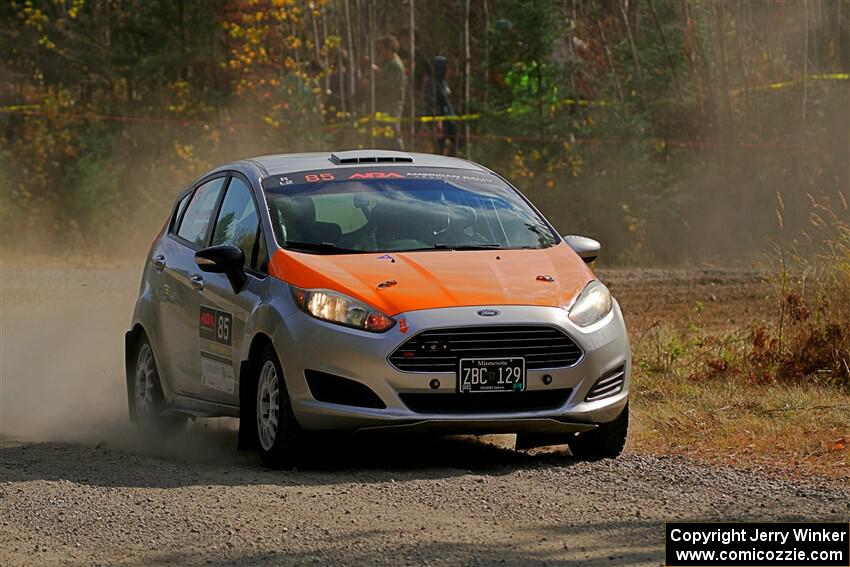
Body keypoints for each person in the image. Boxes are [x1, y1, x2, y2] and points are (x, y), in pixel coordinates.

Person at [373, 35, 406, 150]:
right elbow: (385, 75)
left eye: (382, 49)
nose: (381, 52)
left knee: (394, 131)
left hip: (393, 105)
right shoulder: (388, 62)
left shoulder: (395, 64)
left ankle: (400, 154)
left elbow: (390, 85)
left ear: (389, 49)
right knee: (384, 132)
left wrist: (373, 85)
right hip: (386, 104)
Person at [424, 56, 459, 156]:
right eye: (445, 67)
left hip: (448, 117)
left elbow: (446, 99)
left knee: (456, 139)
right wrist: (438, 121)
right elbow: (433, 103)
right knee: (440, 144)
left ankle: (452, 161)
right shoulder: (433, 84)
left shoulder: (442, 81)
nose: (447, 70)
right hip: (440, 119)